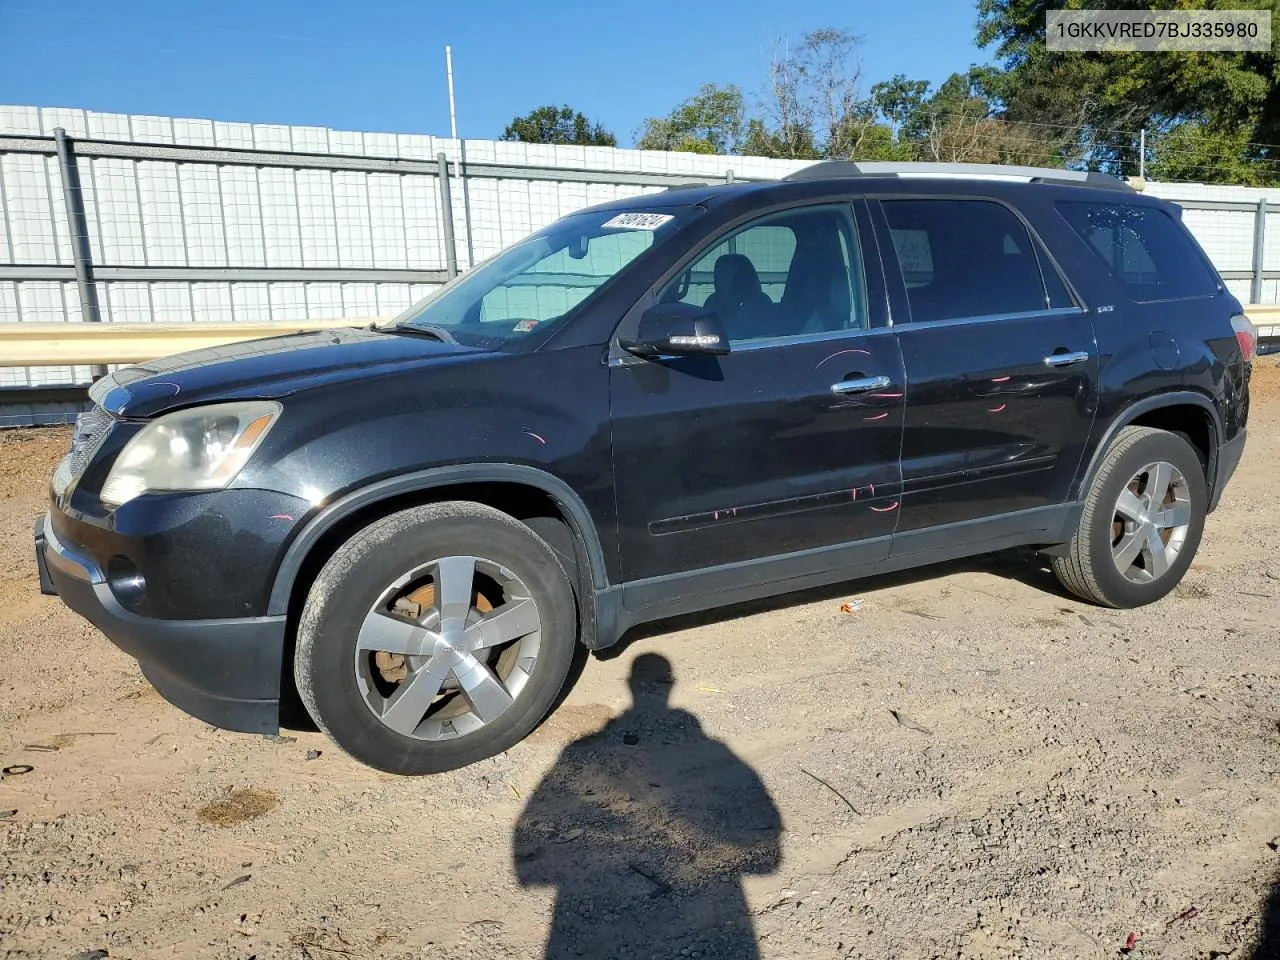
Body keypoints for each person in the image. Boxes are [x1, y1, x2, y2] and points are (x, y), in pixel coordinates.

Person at [514, 653, 783, 959]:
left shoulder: (578, 752)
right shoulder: (709, 746)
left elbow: (528, 861)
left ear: (629, 685)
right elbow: (769, 855)